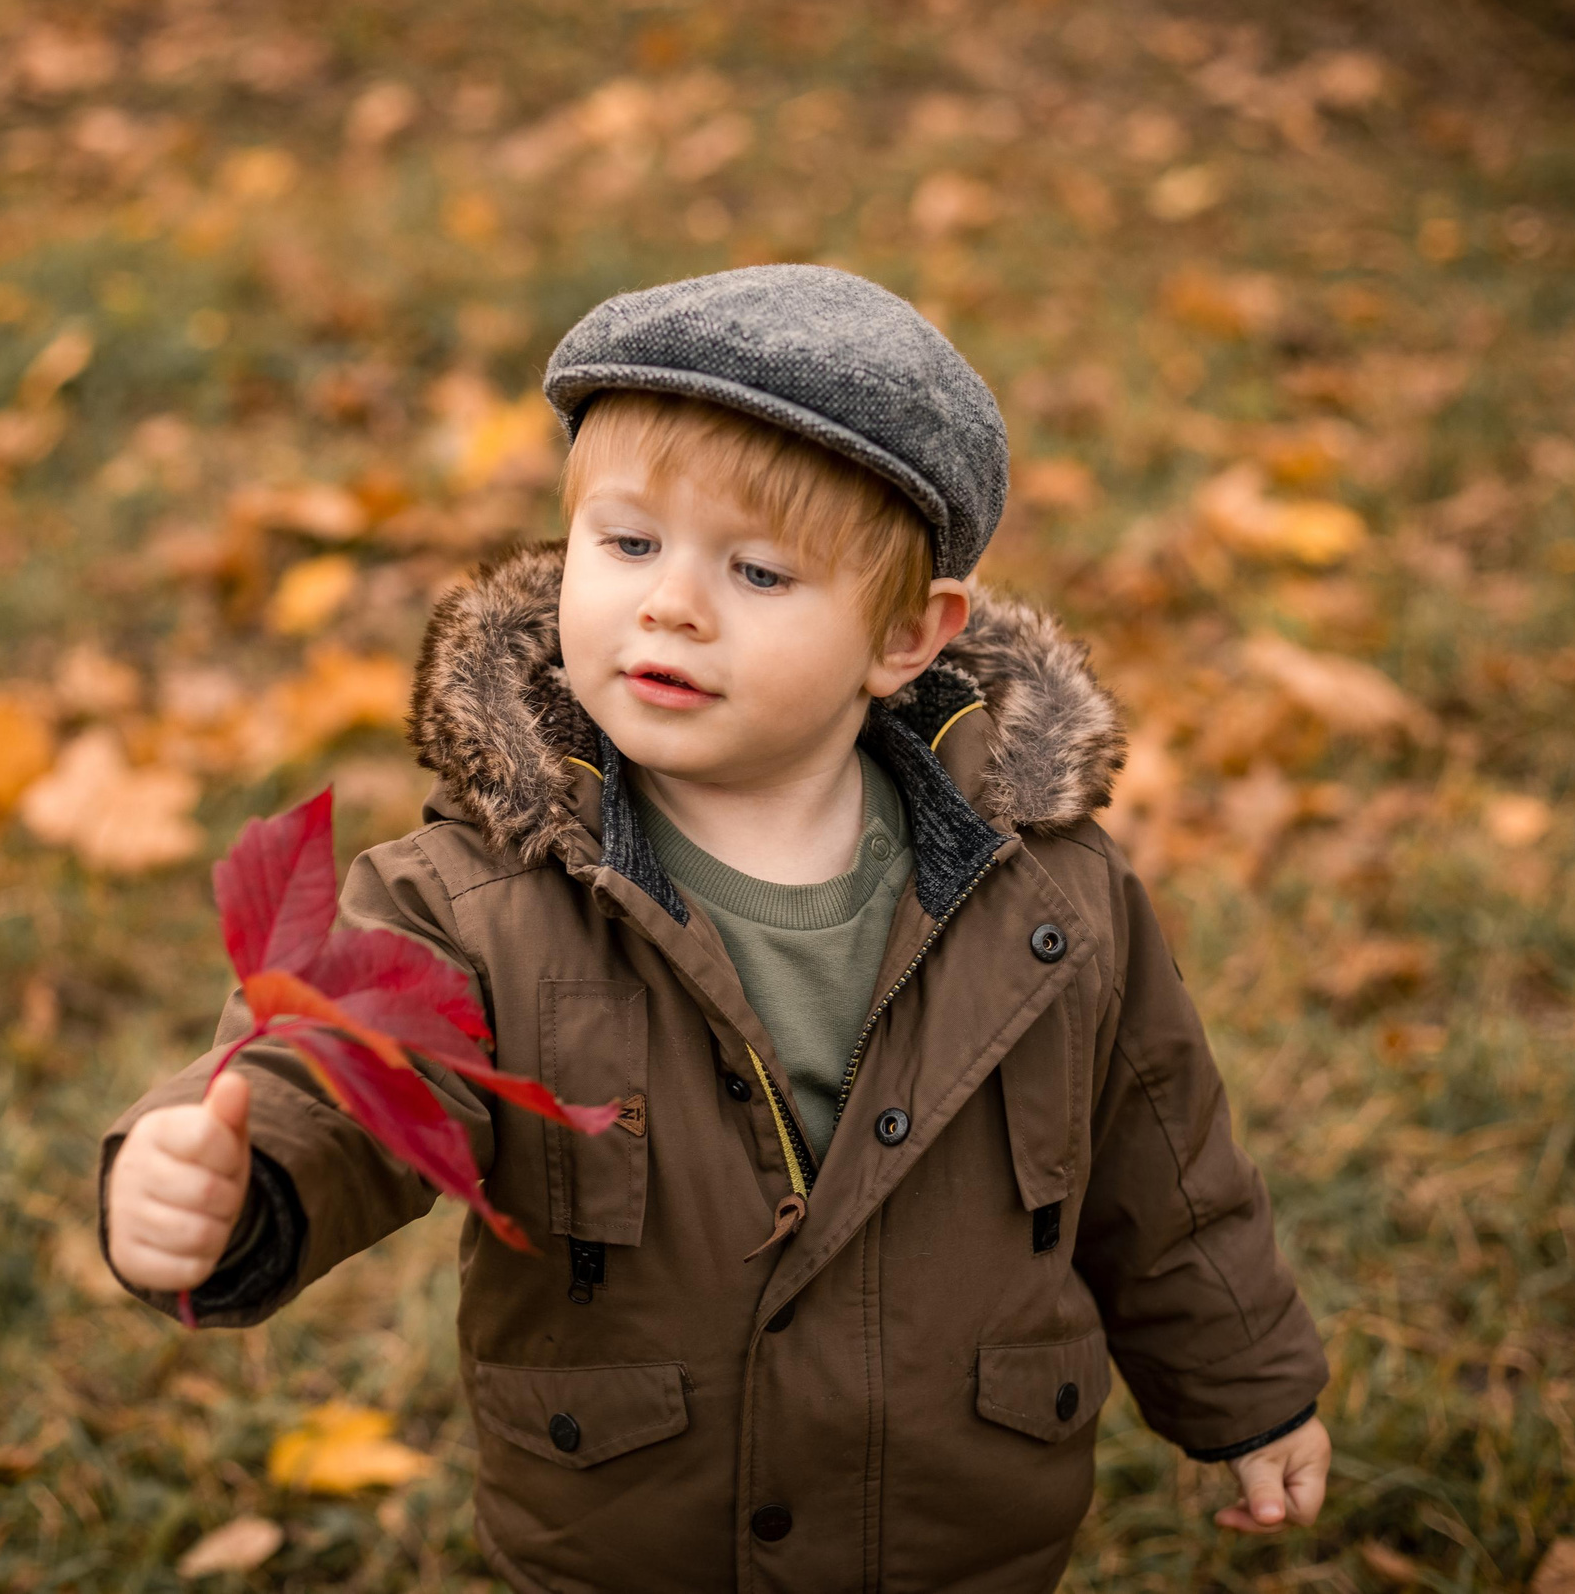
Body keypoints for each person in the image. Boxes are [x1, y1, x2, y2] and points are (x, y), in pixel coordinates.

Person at [99, 264, 1330, 1592]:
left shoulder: (1048, 896)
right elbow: (353, 1063)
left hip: (956, 1537)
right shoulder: (483, 893)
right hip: (632, 1536)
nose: (672, 604)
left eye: (756, 570)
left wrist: (1248, 1391)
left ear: (908, 636)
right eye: (628, 544)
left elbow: (1163, 1159)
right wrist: (235, 1178)